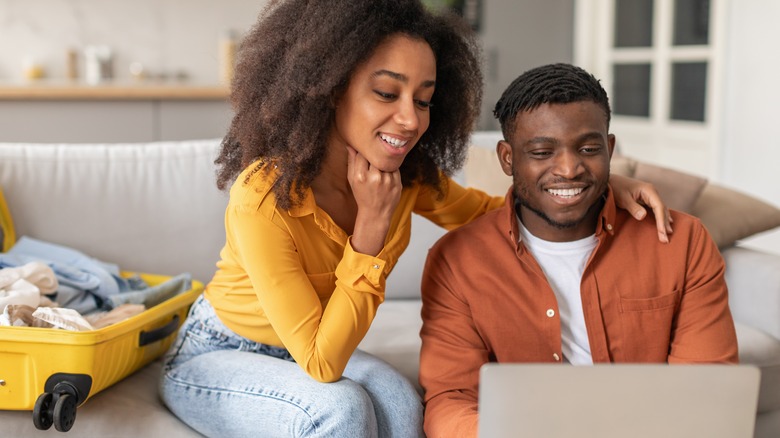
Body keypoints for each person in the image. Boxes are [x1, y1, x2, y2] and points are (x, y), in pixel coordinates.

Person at [159, 1, 672, 435]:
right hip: (216, 352)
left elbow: (496, 213)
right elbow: (321, 362)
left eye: (423, 99)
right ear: (331, 88)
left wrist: (591, 187)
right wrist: (371, 230)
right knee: (340, 409)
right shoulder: (264, 195)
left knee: (404, 406)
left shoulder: (410, 178)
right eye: (387, 93)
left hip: (303, 350)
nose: (410, 119)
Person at [418, 63, 738, 438]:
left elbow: (706, 390)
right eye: (541, 151)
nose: (569, 169)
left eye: (588, 148)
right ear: (507, 158)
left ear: (610, 149)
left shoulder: (681, 242)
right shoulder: (457, 261)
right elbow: (451, 399)